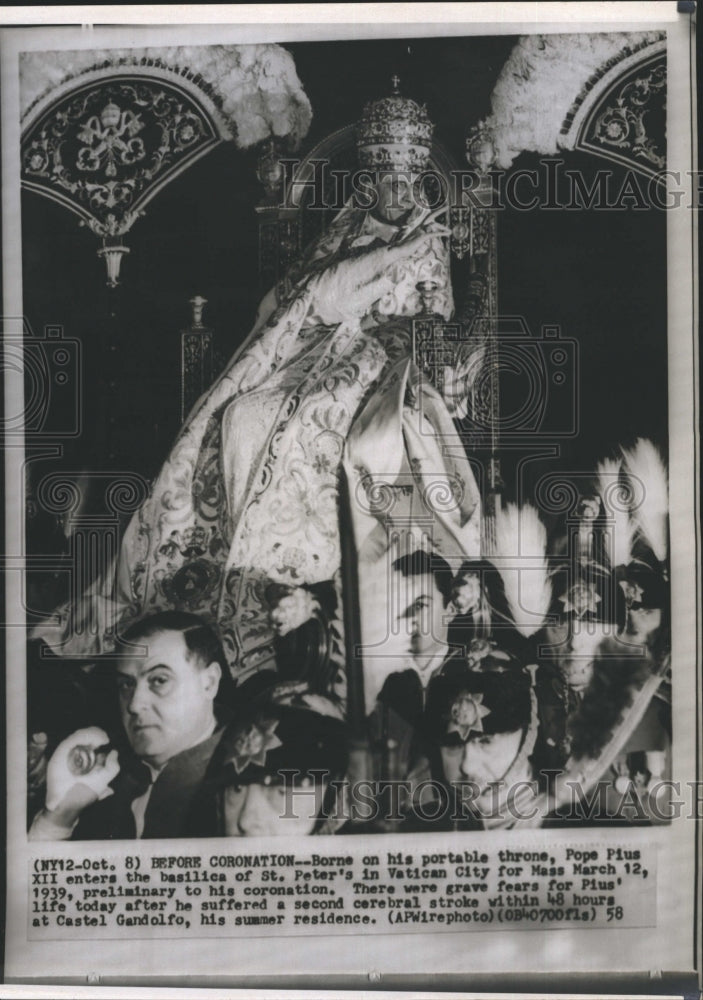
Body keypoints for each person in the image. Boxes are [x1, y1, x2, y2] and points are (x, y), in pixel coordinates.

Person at [32, 79, 481, 701]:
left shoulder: (428, 242)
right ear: (369, 181)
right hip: (307, 353)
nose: (402, 191)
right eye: (390, 180)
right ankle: (223, 582)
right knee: (244, 413)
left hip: (385, 365)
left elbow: (437, 317)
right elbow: (298, 298)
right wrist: (338, 289)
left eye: (409, 180)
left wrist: (397, 308)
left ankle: (280, 579)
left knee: (342, 433)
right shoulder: (347, 229)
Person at [29, 611, 235, 839]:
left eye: (159, 680)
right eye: (126, 685)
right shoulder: (107, 778)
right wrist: (59, 816)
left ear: (209, 683)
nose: (135, 705)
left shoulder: (244, 783)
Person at [422, 645, 541, 830]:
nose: (467, 766)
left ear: (527, 736)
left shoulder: (576, 825)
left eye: (486, 741)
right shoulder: (414, 830)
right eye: (453, 744)